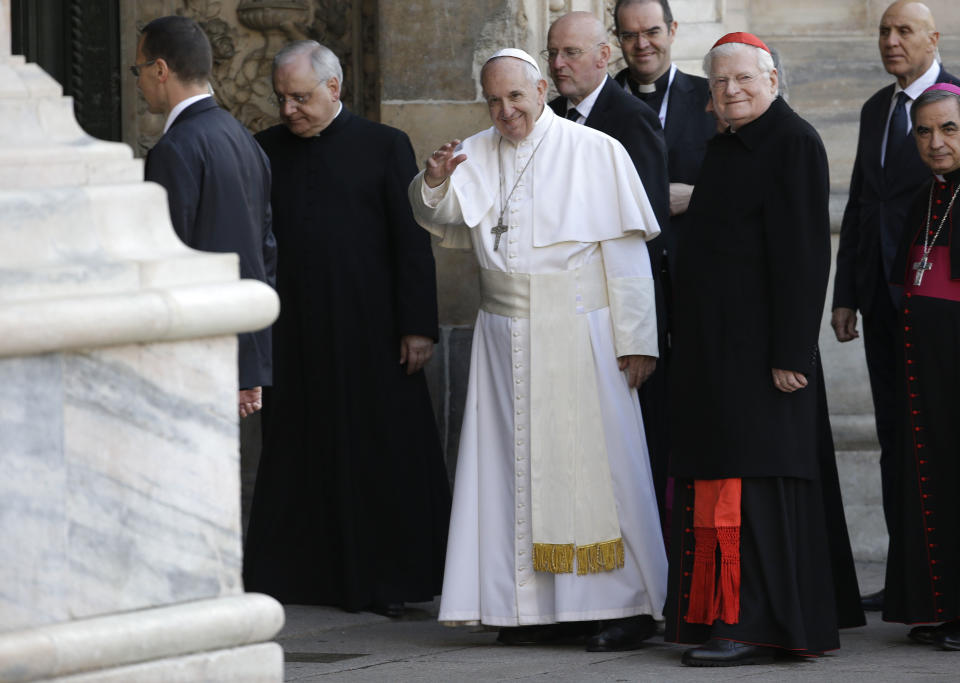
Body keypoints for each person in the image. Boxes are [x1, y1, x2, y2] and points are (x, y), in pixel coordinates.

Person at [409, 49, 667, 652]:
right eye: (493, 100)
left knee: (599, 468)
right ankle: (528, 607)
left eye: (516, 97)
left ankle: (622, 606)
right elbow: (441, 218)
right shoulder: (475, 148)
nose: (505, 112)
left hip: (582, 332)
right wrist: (438, 180)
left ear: (542, 89)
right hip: (503, 337)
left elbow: (628, 260)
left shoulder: (596, 151)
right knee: (509, 470)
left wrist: (637, 340)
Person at [665, 32, 864, 666]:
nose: (731, 91)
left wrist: (790, 352)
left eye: (744, 79)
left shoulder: (794, 141)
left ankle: (752, 626)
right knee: (726, 479)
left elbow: (806, 254)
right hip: (715, 356)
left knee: (754, 488)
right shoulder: (724, 146)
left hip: (761, 358)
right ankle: (724, 618)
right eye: (720, 83)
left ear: (772, 80)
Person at [242, 41, 451, 618]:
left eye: (301, 98)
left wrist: (418, 327)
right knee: (298, 453)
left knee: (378, 455)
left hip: (371, 336)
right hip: (294, 336)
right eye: (282, 98)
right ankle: (302, 576)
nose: (289, 110)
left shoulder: (384, 145)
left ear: (334, 89)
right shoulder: (264, 150)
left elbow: (412, 243)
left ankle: (384, 580)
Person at [831, 0, 959, 612]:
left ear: (933, 38)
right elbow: (861, 202)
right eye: (884, 30)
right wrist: (846, 294)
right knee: (898, 440)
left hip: (944, 311)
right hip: (886, 303)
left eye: (904, 30)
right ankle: (912, 575)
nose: (891, 41)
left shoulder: (955, 103)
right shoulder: (877, 108)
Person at [544, 11, 672, 529]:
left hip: (612, 318)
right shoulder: (548, 116)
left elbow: (644, 230)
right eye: (552, 53)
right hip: (559, 317)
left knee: (626, 452)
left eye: (570, 53)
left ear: (604, 56)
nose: (557, 64)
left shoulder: (629, 118)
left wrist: (636, 334)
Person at [136, 15, 276, 418]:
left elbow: (171, 266)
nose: (138, 81)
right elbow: (262, 258)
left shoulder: (174, 150)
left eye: (138, 69)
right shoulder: (244, 139)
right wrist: (250, 367)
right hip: (234, 353)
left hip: (195, 357)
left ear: (160, 70)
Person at [885, 83, 960, 649]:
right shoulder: (925, 196)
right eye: (925, 131)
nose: (936, 143)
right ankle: (938, 606)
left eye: (949, 129)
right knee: (932, 484)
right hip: (924, 375)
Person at [612, 0, 716, 240]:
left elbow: (744, 179)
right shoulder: (600, 103)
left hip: (692, 259)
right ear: (617, 38)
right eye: (629, 35)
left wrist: (697, 195)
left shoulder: (712, 99)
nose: (642, 44)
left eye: (652, 32)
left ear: (672, 30)